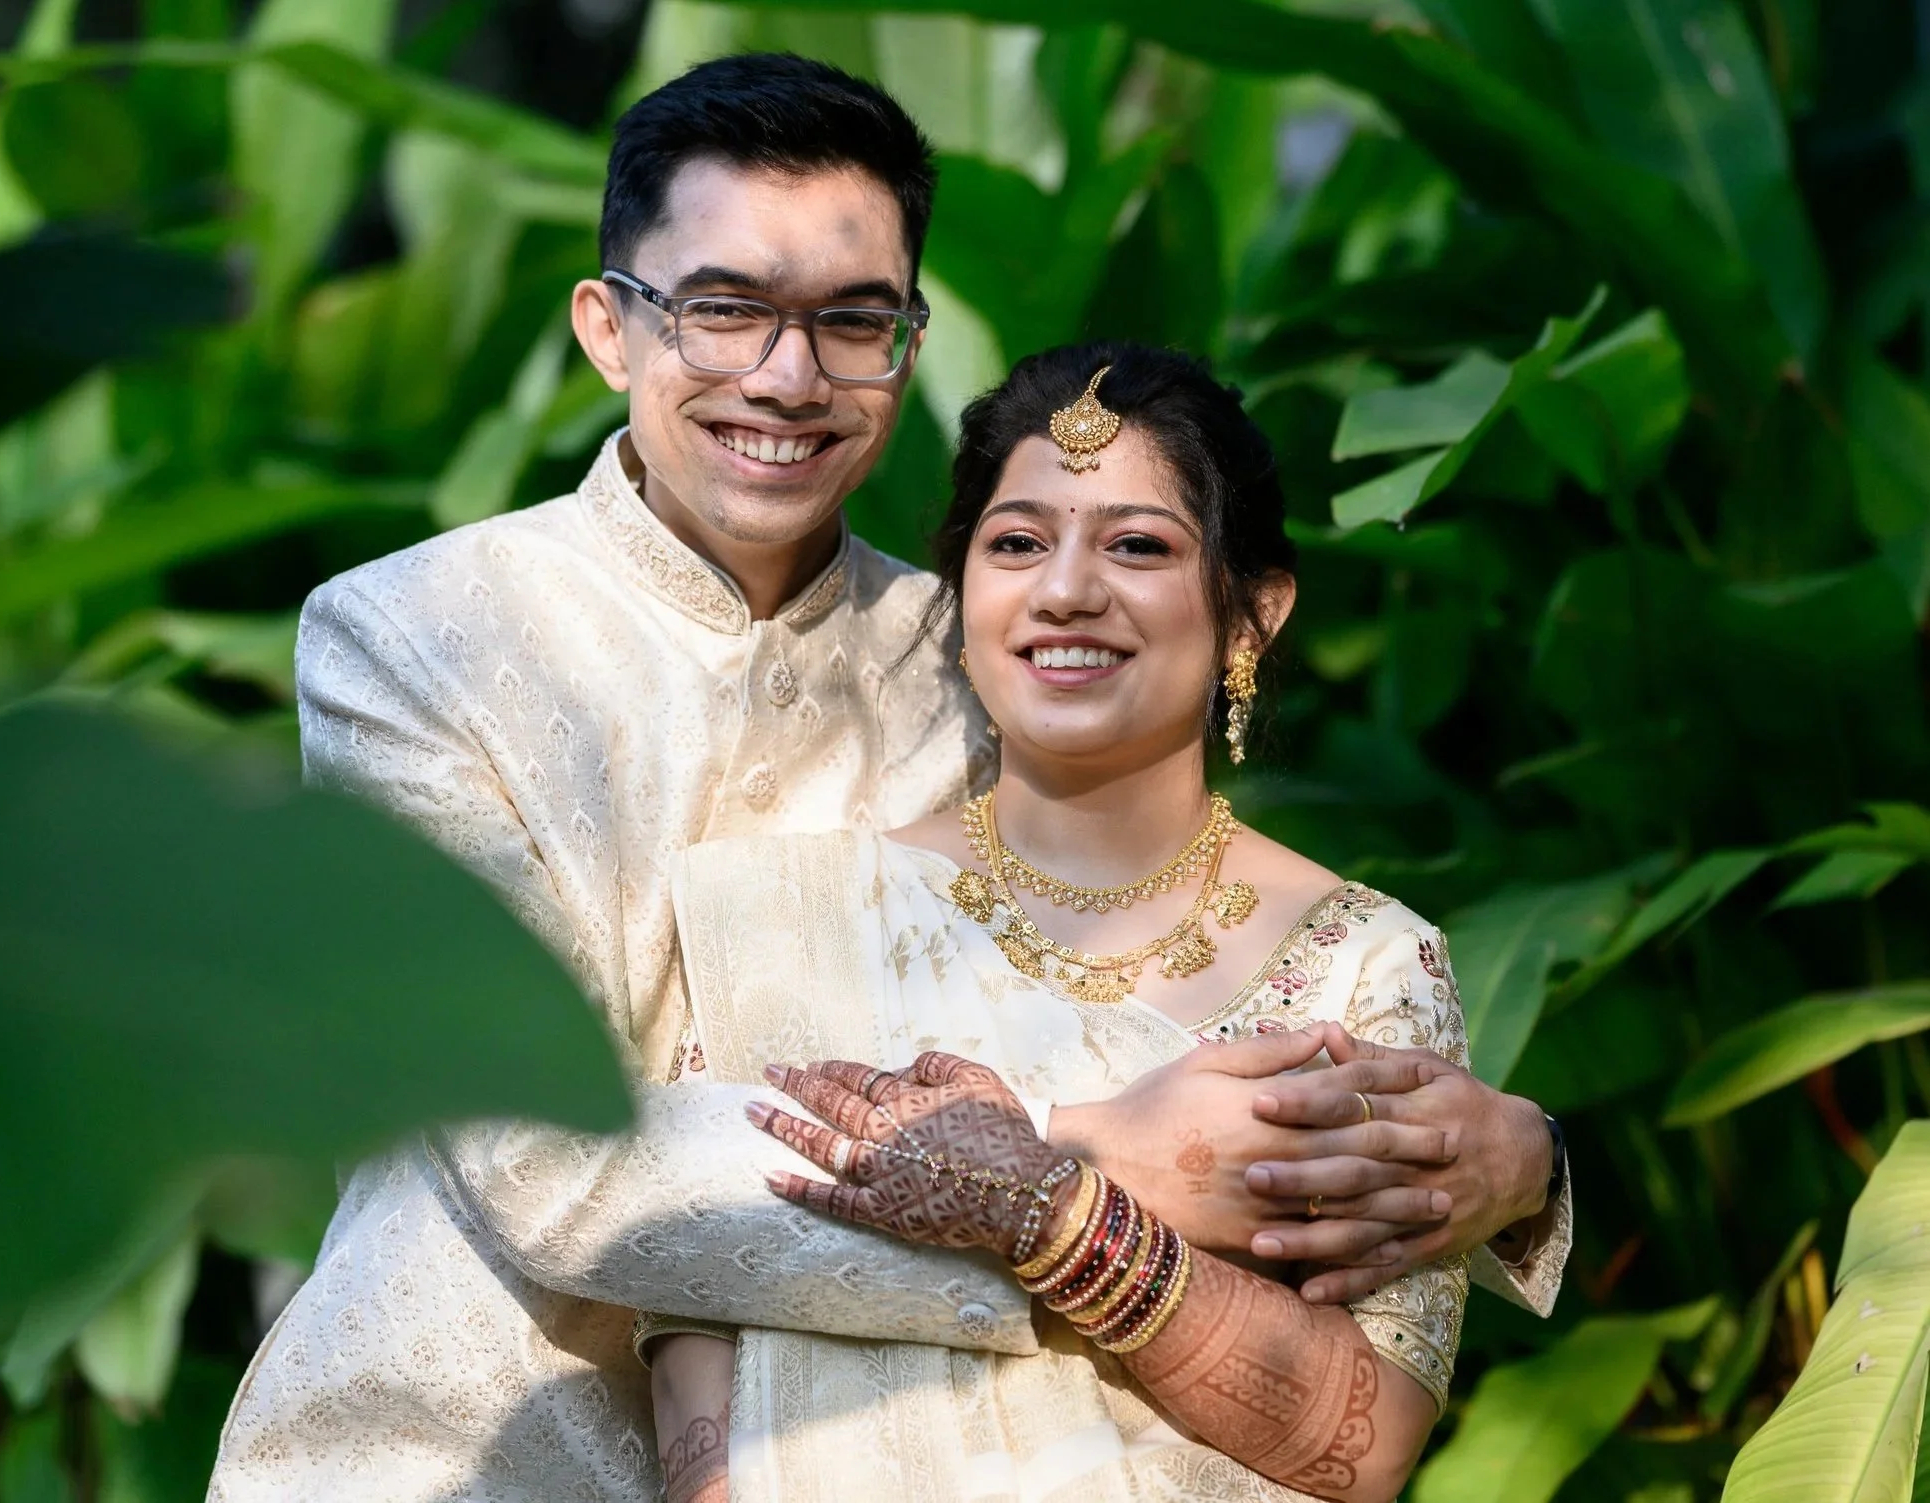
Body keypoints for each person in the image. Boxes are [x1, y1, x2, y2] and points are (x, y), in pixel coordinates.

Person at [211, 55, 1567, 1500]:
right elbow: (529, 1141)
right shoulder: (417, 634)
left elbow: (1170, 964)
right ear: (609, 329)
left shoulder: (977, 646)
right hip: (456, 1457)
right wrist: (1078, 1158)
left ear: (906, 349)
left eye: (850, 322)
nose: (785, 378)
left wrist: (1530, 1161)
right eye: (723, 309)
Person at [643, 343, 1516, 1502]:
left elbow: (1362, 1444)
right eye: (1016, 543)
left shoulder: (1365, 967)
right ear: (963, 603)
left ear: (1253, 616)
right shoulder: (788, 915)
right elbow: (693, 1303)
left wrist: (1061, 1218)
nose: (1064, 590)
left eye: (1138, 546)